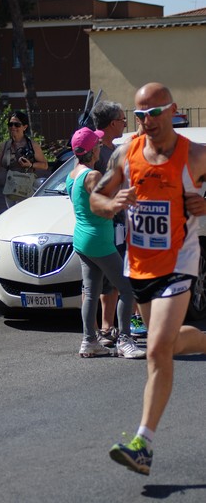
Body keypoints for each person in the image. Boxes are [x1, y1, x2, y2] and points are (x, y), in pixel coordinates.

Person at [90, 82, 206, 475]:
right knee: (168, 346)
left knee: (156, 351)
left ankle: (143, 444)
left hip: (179, 263)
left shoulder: (195, 156)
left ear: (172, 110)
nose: (146, 121)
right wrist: (112, 203)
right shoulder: (125, 154)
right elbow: (97, 199)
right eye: (140, 114)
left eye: (154, 113)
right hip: (139, 268)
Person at [65, 126, 146, 360]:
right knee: (127, 289)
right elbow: (108, 207)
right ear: (92, 151)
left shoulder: (74, 173)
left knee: (90, 293)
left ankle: (89, 341)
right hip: (99, 240)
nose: (101, 148)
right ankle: (125, 341)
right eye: (98, 145)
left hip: (82, 239)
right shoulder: (93, 176)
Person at [91, 100, 129, 345]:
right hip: (105, 223)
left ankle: (107, 328)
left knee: (110, 281)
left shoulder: (113, 148)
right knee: (106, 280)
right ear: (113, 123)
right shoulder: (97, 151)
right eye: (123, 119)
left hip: (117, 222)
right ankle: (104, 330)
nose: (126, 123)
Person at [0, 111, 48, 208]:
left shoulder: (32, 145)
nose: (13, 127)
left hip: (26, 189)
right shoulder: (5, 145)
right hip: (11, 189)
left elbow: (45, 165)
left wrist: (30, 165)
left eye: (17, 124)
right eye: (10, 124)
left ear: (24, 127)